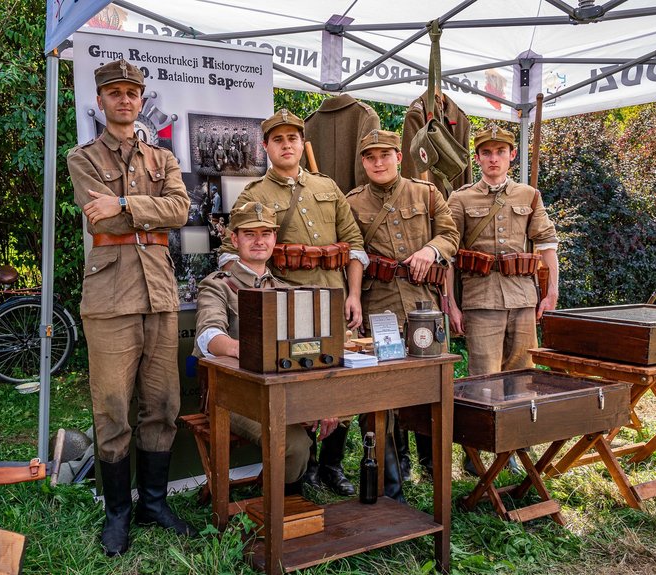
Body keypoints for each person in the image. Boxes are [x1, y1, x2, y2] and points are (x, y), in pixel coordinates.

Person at [66, 58, 195, 557]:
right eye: (114, 92)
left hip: (159, 294)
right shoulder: (83, 157)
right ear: (100, 101)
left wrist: (122, 208)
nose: (124, 99)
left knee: (162, 403)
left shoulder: (162, 159)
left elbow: (180, 211)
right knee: (113, 407)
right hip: (110, 296)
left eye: (131, 92)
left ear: (142, 100)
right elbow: (94, 212)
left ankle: (154, 504)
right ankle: (118, 511)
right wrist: (141, 214)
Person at [219, 108, 368, 496]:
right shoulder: (255, 195)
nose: (287, 145)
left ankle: (333, 465)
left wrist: (354, 294)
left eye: (293, 138)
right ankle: (307, 465)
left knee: (340, 381)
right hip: (290, 302)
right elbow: (229, 250)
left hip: (334, 294)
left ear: (303, 144)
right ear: (265, 146)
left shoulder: (328, 187)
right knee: (301, 377)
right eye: (278, 139)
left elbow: (354, 244)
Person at [345, 129, 459, 497]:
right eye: (370, 157)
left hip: (423, 305)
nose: (378, 162)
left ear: (398, 156)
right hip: (379, 306)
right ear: (363, 162)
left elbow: (450, 235)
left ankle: (433, 467)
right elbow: (351, 251)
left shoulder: (426, 193)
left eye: (385, 154)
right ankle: (389, 476)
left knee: (429, 387)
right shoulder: (352, 202)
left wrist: (431, 250)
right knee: (381, 392)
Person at [445, 124, 558, 472]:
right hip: (481, 300)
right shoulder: (461, 198)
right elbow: (448, 254)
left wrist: (551, 291)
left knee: (523, 376)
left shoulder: (529, 195)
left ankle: (516, 448)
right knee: (484, 380)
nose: (493, 159)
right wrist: (450, 303)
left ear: (511, 155)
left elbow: (547, 242)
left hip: (523, 297)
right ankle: (478, 453)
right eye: (486, 153)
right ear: (477, 158)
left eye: (500, 152)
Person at [194, 202, 328, 493]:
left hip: (280, 389)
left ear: (274, 240)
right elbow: (208, 337)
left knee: (338, 411)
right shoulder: (217, 285)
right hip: (232, 394)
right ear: (235, 239)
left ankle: (285, 495)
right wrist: (249, 350)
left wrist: (322, 402)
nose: (259, 241)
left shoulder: (284, 289)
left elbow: (307, 346)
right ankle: (274, 504)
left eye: (266, 233)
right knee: (292, 444)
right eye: (250, 234)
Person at [401, 89, 472, 198]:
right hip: (429, 200)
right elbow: (411, 166)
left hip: (456, 200)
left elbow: (466, 167)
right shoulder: (418, 114)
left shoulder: (461, 120)